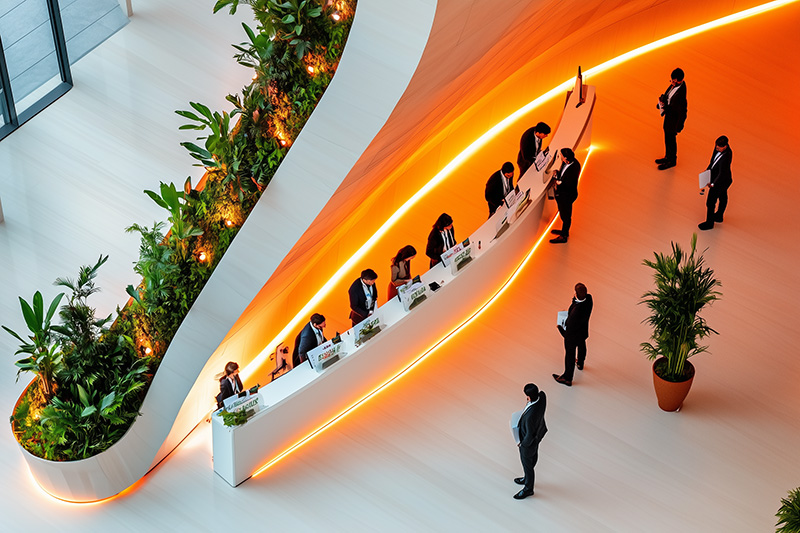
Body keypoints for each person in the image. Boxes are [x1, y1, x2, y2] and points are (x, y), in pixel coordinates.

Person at [553, 282, 593, 386]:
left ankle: (567, 378)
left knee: (570, 356)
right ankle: (580, 363)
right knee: (582, 345)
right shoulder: (589, 299)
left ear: (575, 294)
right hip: (582, 331)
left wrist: (560, 328)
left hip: (572, 336)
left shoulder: (575, 313)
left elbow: (569, 332)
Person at [514, 382, 548, 500]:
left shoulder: (530, 417)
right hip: (539, 434)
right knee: (533, 456)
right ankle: (526, 477)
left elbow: (529, 434)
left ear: (528, 397)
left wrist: (522, 444)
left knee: (527, 464)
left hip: (528, 441)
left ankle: (528, 488)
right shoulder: (542, 397)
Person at [698, 135, 733, 230]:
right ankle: (719, 216)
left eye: (719, 146)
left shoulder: (727, 157)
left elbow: (722, 173)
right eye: (716, 145)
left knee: (710, 202)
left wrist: (713, 183)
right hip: (719, 178)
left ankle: (709, 223)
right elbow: (712, 162)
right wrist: (707, 172)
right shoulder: (717, 148)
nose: (717, 148)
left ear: (725, 146)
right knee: (723, 196)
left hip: (722, 181)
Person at [655, 68, 687, 170]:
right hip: (669, 117)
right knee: (667, 138)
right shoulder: (674, 85)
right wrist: (661, 104)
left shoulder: (681, 93)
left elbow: (682, 111)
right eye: (671, 80)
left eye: (674, 81)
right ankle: (667, 156)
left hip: (674, 120)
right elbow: (668, 96)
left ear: (680, 80)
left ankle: (672, 160)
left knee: (671, 140)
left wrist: (679, 125)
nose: (672, 83)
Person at [549, 148, 581, 244]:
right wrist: (558, 174)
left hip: (566, 196)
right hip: (563, 195)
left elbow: (569, 183)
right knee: (563, 213)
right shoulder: (567, 162)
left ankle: (564, 236)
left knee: (566, 215)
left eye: (562, 156)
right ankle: (564, 231)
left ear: (566, 158)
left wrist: (559, 183)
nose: (560, 157)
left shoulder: (574, 168)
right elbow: (563, 173)